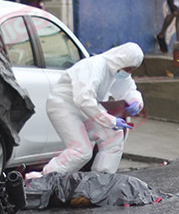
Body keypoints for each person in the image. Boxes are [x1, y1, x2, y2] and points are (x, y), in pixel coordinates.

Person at [39, 43, 144, 175]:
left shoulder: (114, 71)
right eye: (128, 69)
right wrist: (111, 120)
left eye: (132, 70)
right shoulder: (94, 66)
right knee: (81, 151)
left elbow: (128, 89)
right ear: (120, 61)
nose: (128, 73)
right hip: (63, 106)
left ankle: (99, 180)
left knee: (114, 137)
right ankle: (43, 180)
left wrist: (135, 102)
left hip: (84, 109)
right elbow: (84, 100)